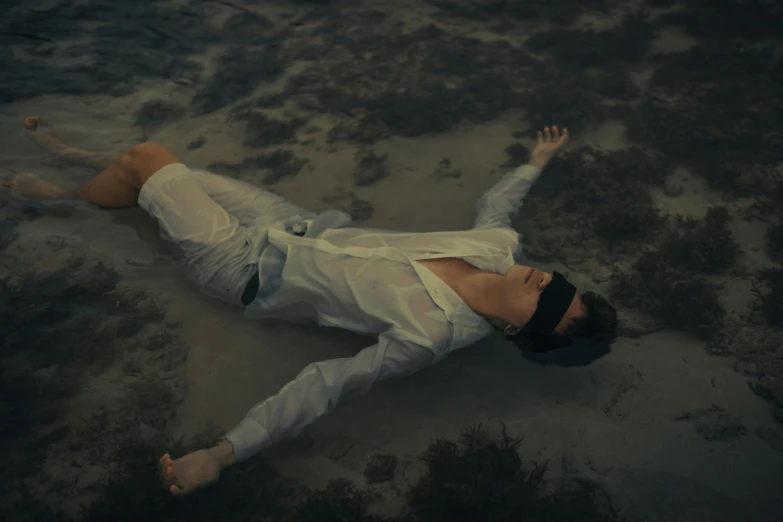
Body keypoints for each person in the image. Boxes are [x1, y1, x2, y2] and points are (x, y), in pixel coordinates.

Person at [5, 117, 618, 496]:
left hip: (239, 269)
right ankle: (74, 172)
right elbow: (498, 210)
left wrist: (223, 452)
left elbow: (325, 385)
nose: (548, 281)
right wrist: (535, 163)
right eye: (561, 284)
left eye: (553, 304)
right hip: (288, 221)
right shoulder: (500, 248)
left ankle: (61, 197)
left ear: (517, 329)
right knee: (158, 173)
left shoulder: (428, 335)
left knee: (147, 160)